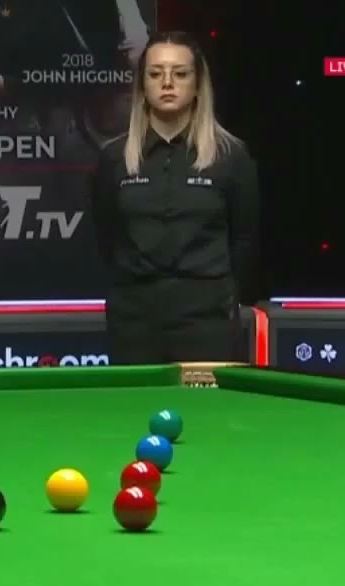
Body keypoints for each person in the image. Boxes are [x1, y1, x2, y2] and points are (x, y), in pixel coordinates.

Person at [91, 30, 260, 365]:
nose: (167, 83)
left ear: (198, 84)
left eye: (180, 73)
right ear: (142, 86)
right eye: (156, 74)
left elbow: (244, 240)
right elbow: (106, 237)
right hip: (133, 320)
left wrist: (217, 293)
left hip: (207, 320)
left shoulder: (231, 156)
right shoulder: (114, 158)